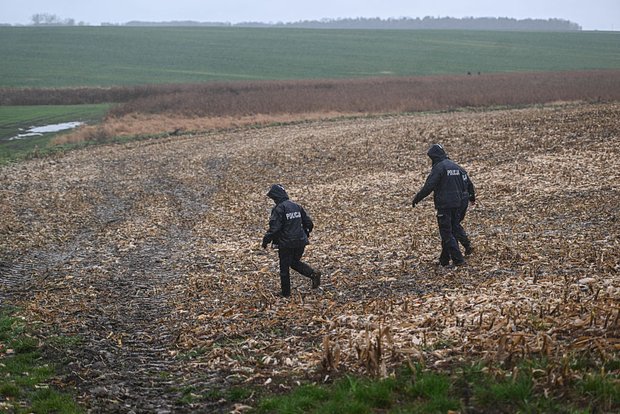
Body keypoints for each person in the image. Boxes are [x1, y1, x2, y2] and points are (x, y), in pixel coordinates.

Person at [411, 144, 475, 267]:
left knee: (446, 233)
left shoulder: (439, 168)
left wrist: (417, 198)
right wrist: (472, 197)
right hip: (459, 204)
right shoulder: (457, 167)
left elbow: (429, 186)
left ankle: (458, 260)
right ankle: (444, 260)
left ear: (434, 157)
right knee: (453, 229)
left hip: (445, 205)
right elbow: (469, 183)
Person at [262, 184, 321, 297]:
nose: (273, 200)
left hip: (286, 243)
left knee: (284, 268)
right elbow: (309, 223)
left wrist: (266, 240)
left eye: (273, 198)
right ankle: (313, 274)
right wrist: (305, 234)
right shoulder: (296, 206)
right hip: (300, 241)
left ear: (276, 197)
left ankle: (286, 294)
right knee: (293, 262)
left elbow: (275, 228)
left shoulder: (279, 209)